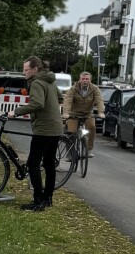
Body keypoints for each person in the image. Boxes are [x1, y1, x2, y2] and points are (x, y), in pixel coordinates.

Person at [9, 56, 62, 211]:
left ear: (35, 69)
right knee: (49, 164)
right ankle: (48, 198)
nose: (24, 72)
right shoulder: (49, 81)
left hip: (44, 129)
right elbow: (59, 97)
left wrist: (16, 112)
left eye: (26, 70)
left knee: (33, 163)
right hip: (55, 127)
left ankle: (38, 201)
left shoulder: (37, 82)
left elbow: (38, 104)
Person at [62, 71, 103, 152]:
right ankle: (70, 152)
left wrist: (101, 112)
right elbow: (68, 100)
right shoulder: (73, 89)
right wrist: (66, 113)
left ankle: (88, 149)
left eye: (87, 79)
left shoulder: (95, 89)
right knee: (72, 132)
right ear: (79, 80)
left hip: (87, 113)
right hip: (74, 113)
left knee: (92, 127)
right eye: (83, 79)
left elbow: (99, 100)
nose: (85, 80)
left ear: (90, 80)